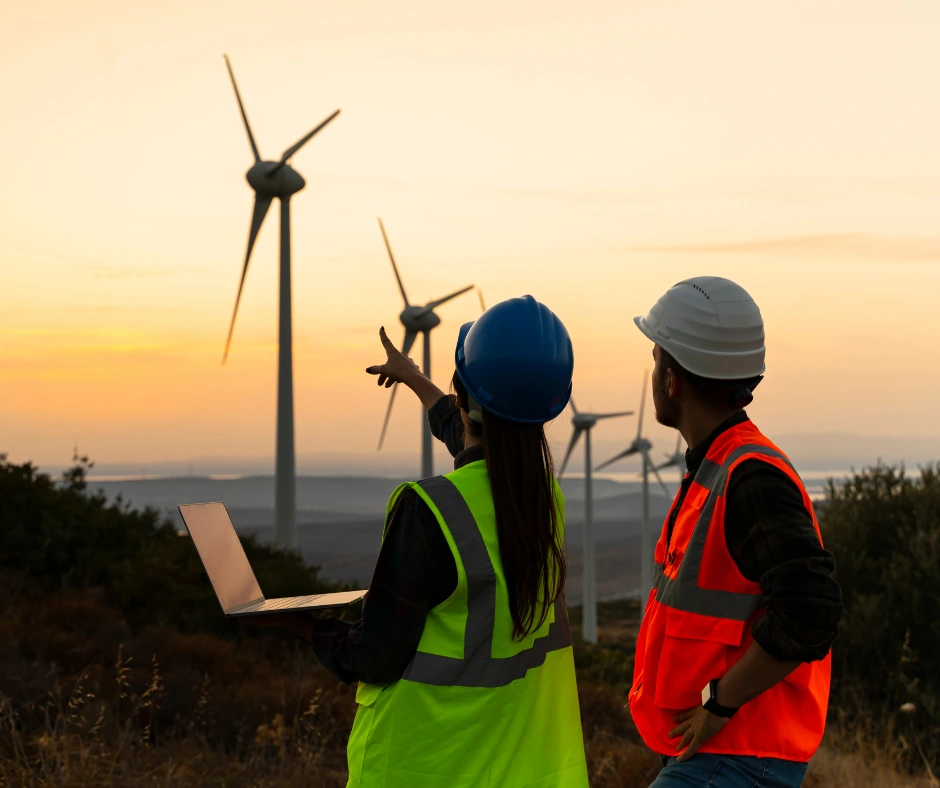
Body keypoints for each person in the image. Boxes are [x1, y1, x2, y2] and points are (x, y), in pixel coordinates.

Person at [249, 295, 589, 787]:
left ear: (468, 397)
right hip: (518, 768)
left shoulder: (430, 511)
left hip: (424, 765)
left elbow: (371, 655)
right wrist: (415, 379)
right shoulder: (541, 501)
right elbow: (476, 436)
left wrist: (299, 622)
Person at [629, 276, 843, 788]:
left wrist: (719, 705)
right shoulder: (721, 466)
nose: (653, 371)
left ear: (673, 378)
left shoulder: (750, 477)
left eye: (656, 358)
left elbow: (812, 609)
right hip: (720, 757)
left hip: (737, 758)